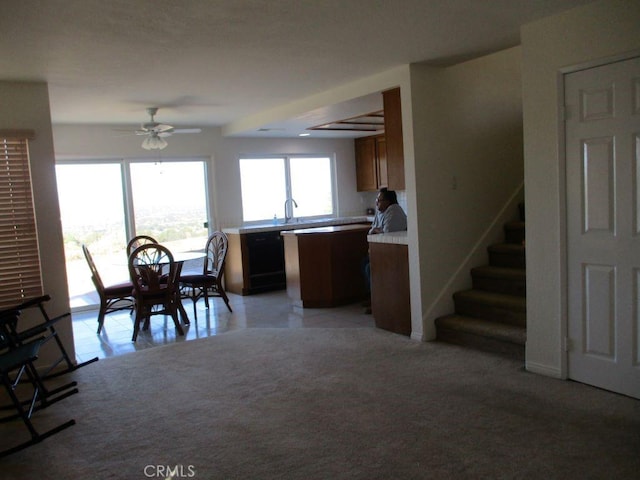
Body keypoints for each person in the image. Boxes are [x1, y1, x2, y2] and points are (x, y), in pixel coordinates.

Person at [363, 188, 407, 313]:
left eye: (379, 200)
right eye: (377, 200)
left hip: (394, 253)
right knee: (364, 263)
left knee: (369, 268)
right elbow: (373, 230)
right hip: (380, 251)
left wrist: (376, 230)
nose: (377, 203)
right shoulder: (380, 212)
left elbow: (387, 234)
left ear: (388, 202)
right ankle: (372, 297)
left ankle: (378, 301)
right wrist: (377, 230)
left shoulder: (394, 211)